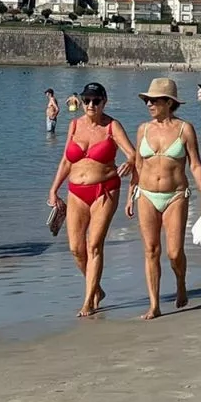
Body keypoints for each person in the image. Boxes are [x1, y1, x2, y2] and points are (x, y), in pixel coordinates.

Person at [126, 78, 201, 319]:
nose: (149, 104)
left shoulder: (185, 129)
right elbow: (138, 164)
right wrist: (130, 194)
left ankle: (181, 283)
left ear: (169, 102)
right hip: (145, 195)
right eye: (147, 100)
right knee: (151, 250)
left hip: (175, 196)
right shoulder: (143, 129)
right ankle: (154, 305)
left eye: (154, 100)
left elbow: (195, 165)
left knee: (174, 253)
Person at [49, 82, 138, 317]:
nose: (90, 105)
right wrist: (53, 189)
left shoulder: (112, 126)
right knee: (76, 249)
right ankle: (96, 288)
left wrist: (129, 162)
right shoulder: (74, 125)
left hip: (105, 190)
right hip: (76, 191)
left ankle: (88, 301)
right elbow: (66, 161)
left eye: (96, 101)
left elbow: (132, 153)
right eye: (86, 100)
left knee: (94, 245)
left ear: (104, 102)